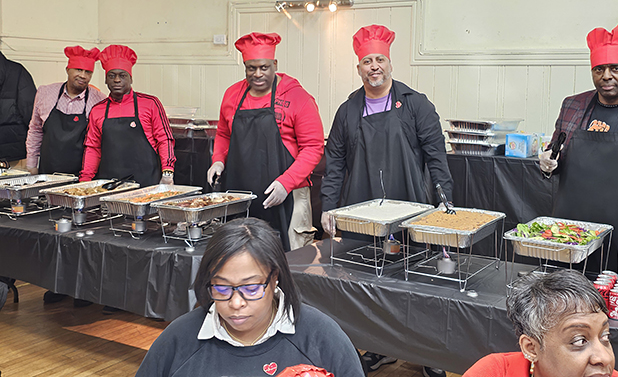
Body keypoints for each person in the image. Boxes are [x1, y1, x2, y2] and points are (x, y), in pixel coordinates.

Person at [320, 24, 454, 377]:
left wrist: (444, 201)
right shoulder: (348, 110)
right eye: (367, 61)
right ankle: (379, 348)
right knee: (368, 286)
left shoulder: (415, 104)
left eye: (379, 59)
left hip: (410, 207)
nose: (374, 66)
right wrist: (328, 207)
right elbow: (334, 163)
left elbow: (436, 156)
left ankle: (429, 355)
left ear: (390, 63)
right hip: (361, 211)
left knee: (416, 284)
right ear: (359, 68)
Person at [136, 217, 365, 377]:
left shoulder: (321, 337)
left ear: (274, 278)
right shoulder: (178, 340)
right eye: (221, 288)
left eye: (251, 288)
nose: (236, 303)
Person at [207, 32, 324, 251]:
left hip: (288, 195)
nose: (258, 74)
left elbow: (313, 148)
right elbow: (223, 133)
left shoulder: (297, 97)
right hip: (242, 197)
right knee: (241, 255)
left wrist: (286, 183)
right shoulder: (232, 95)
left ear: (275, 64)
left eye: (264, 67)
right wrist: (218, 160)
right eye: (251, 68)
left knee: (291, 258)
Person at [539, 23, 618, 272]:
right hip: (570, 229)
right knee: (564, 289)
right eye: (599, 69)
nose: (606, 76)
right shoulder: (573, 105)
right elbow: (555, 153)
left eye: (615, 68)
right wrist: (547, 163)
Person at [462, 269, 618, 377]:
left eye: (605, 337)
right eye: (579, 341)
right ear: (531, 348)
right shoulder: (495, 372)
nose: (605, 358)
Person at [80, 45, 176, 188]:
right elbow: (93, 148)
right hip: (109, 186)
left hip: (146, 184)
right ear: (106, 80)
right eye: (111, 76)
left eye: (122, 75)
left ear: (131, 79)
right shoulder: (97, 110)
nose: (117, 80)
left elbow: (164, 139)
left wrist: (168, 171)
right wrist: (85, 181)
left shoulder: (150, 103)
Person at [26, 46, 106, 175]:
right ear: (68, 70)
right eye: (78, 70)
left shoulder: (99, 99)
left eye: (88, 72)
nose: (83, 76)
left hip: (81, 175)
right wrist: (32, 165)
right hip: (47, 172)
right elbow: (35, 130)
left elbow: (99, 142)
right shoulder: (45, 93)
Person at [0, 51, 36, 165]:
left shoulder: (18, 72)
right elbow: (31, 113)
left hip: (14, 154)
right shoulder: (18, 72)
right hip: (15, 152)